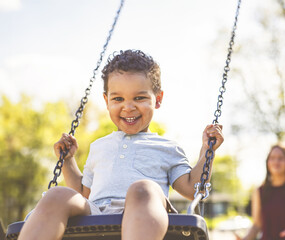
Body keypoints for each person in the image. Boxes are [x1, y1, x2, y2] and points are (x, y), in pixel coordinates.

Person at [18, 49, 224, 240]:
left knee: (143, 189)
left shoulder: (167, 147)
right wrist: (68, 160)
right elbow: (83, 193)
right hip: (97, 213)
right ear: (107, 101)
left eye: (139, 97)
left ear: (158, 99)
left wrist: (207, 151)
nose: (128, 107)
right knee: (57, 194)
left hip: (145, 214)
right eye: (118, 98)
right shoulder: (98, 147)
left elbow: (192, 189)